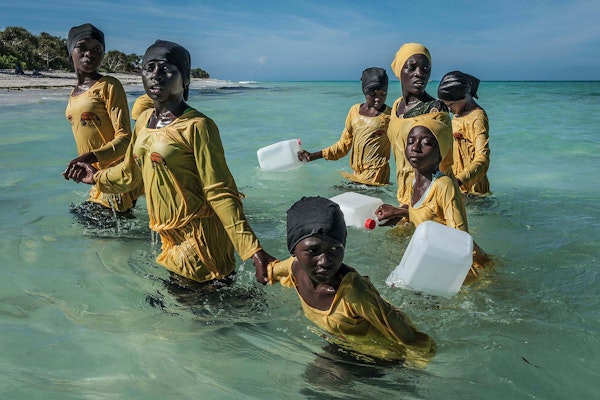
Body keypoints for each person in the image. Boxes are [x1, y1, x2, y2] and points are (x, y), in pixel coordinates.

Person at [63, 40, 274, 285]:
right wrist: (96, 177)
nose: (156, 75)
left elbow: (220, 192)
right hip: (170, 240)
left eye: (166, 69)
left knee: (199, 315)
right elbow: (130, 174)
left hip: (201, 240)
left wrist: (253, 252)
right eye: (149, 68)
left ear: (185, 79)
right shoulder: (143, 121)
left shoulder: (198, 126)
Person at [267, 196, 435, 368]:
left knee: (317, 381)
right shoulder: (294, 267)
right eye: (313, 250)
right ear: (293, 250)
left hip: (378, 354)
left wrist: (416, 367)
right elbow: (267, 273)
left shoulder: (354, 292)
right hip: (341, 341)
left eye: (335, 249)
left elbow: (407, 336)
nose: (325, 261)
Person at [375, 113, 489, 280]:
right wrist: (399, 213)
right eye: (411, 141)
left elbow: (459, 239)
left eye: (426, 143)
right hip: (434, 259)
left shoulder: (444, 185)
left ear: (440, 151)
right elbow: (431, 216)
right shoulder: (414, 182)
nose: (416, 147)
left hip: (467, 269)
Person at [62, 23, 142, 223]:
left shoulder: (109, 85)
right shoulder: (73, 94)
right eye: (82, 47)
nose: (90, 54)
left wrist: (90, 157)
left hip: (116, 175)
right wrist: (85, 165)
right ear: (70, 50)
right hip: (96, 178)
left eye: (97, 49)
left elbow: (125, 139)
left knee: (103, 238)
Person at [298, 68, 391, 186]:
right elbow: (343, 146)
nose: (378, 99)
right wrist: (313, 156)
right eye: (373, 94)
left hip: (377, 176)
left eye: (383, 94)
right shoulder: (354, 111)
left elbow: (402, 147)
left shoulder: (390, 117)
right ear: (365, 91)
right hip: (358, 174)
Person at [386, 43, 450, 213]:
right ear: (400, 71)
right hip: (402, 195)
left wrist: (407, 210)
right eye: (411, 67)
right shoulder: (396, 106)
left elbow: (441, 164)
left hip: (426, 198)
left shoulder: (435, 109)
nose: (419, 74)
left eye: (425, 69)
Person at [438, 71, 491, 196]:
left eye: (450, 104)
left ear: (464, 96)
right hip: (454, 185)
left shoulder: (477, 117)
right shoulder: (458, 114)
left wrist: (459, 181)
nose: (449, 109)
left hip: (472, 189)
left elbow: (482, 158)